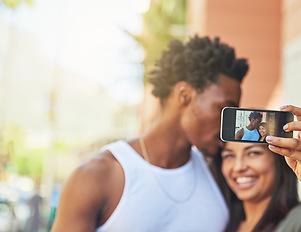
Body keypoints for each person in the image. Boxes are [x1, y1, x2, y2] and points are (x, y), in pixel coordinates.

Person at [51, 35, 249, 232]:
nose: (230, 125)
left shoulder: (222, 172)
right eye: (225, 110)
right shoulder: (97, 177)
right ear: (184, 95)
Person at [219, 105, 301, 232]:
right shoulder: (223, 222)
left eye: (253, 153)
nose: (239, 167)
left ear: (278, 159)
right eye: (229, 155)